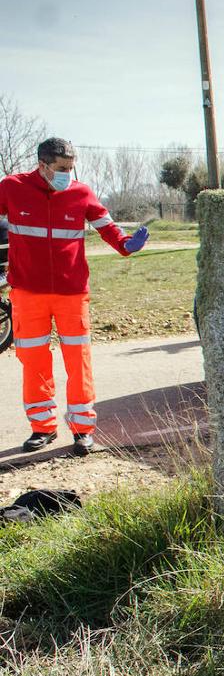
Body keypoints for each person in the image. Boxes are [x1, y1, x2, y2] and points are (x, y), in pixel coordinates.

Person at [0, 137, 148, 455]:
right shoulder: (11, 188)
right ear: (42, 165)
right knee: (34, 361)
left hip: (72, 293)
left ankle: (82, 430)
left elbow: (107, 227)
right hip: (27, 293)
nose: (69, 174)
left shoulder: (80, 192)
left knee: (77, 361)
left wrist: (125, 245)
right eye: (62, 168)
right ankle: (42, 428)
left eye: (71, 167)